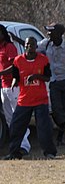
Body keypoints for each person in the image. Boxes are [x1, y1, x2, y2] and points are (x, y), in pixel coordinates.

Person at [1, 37, 57, 160]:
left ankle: (49, 152)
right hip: (24, 100)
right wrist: (14, 82)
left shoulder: (43, 60)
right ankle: (14, 152)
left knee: (44, 127)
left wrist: (37, 76)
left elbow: (47, 77)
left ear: (36, 46)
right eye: (27, 45)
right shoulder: (18, 60)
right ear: (24, 46)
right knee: (16, 126)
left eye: (32, 45)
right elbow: (16, 75)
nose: (29, 47)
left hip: (40, 99)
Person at [37, 23, 65, 145]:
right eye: (48, 31)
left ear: (59, 33)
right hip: (54, 81)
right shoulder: (46, 43)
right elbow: (32, 47)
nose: (48, 34)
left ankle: (62, 137)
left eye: (51, 31)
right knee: (56, 109)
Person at [1, 24, 31, 156]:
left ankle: (24, 145)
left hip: (14, 86)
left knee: (18, 117)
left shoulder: (9, 47)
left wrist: (1, 73)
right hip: (3, 87)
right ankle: (15, 146)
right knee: (9, 119)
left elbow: (14, 66)